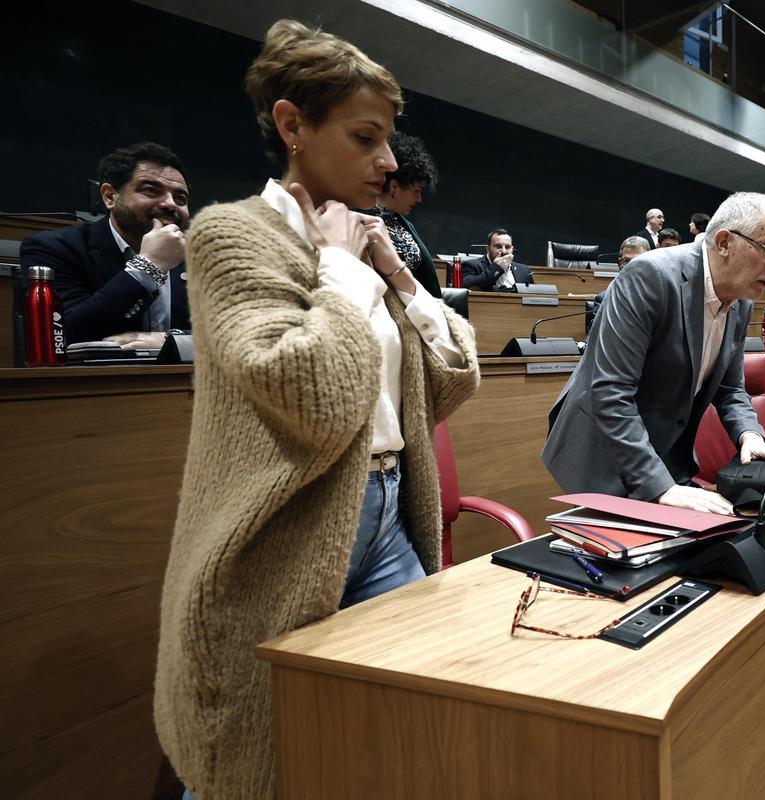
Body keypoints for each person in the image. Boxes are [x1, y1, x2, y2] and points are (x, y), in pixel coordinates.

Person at [153, 20, 480, 800]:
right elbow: (312, 394)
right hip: (282, 532)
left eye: (388, 139)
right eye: (366, 137)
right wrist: (339, 268)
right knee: (256, 753)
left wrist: (399, 281)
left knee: (388, 736)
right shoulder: (232, 234)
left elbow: (454, 379)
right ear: (293, 126)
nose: (390, 161)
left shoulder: (368, 246)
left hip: (389, 512)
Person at [543, 191, 765, 514]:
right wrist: (658, 486)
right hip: (603, 451)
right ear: (723, 243)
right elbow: (611, 391)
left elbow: (731, 388)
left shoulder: (742, 298)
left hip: (666, 453)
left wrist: (750, 434)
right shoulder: (650, 276)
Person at [19, 142, 191, 345]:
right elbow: (62, 337)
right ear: (110, 196)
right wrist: (149, 265)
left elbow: (233, 335)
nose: (171, 204)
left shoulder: (200, 257)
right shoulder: (53, 248)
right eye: (151, 191)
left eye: (180, 198)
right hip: (95, 377)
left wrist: (169, 340)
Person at [362, 131, 442, 295]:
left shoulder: (404, 224)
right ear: (395, 187)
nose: (419, 198)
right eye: (416, 190)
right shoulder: (360, 219)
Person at [460, 228, 534, 291]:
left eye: (507, 247)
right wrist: (496, 268)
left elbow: (533, 295)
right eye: (498, 247)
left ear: (512, 249)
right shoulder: (471, 265)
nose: (504, 251)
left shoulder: (524, 270)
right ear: (488, 249)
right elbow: (467, 286)